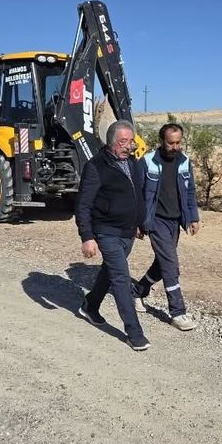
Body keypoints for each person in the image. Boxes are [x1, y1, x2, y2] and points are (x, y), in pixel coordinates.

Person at [75, 120, 150, 351]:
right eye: (123, 141)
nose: (128, 146)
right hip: (106, 232)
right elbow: (83, 205)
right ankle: (134, 333)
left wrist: (140, 223)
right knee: (120, 277)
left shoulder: (135, 163)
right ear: (111, 142)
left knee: (109, 271)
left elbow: (138, 194)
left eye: (131, 141)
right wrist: (87, 236)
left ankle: (90, 305)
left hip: (128, 232)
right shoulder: (96, 166)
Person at [134, 123, 200, 331]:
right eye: (171, 143)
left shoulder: (184, 161)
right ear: (162, 141)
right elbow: (137, 193)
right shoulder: (147, 162)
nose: (175, 147)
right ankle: (178, 312)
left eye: (178, 142)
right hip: (155, 220)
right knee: (171, 264)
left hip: (175, 220)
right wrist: (137, 222)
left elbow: (190, 192)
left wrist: (193, 217)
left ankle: (137, 291)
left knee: (162, 263)